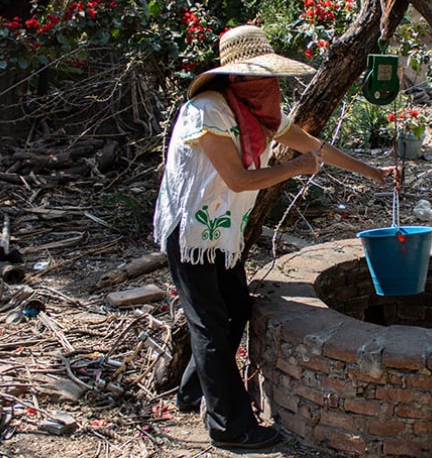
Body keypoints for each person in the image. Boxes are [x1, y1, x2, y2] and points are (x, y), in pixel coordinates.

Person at [153, 25, 395, 450]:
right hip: (191, 232)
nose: (268, 86)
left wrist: (374, 173)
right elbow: (238, 179)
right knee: (209, 322)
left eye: (269, 77)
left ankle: (195, 391)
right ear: (235, 78)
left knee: (236, 308)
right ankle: (230, 426)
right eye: (258, 77)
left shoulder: (258, 114)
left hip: (221, 233)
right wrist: (294, 168)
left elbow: (317, 148)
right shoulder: (207, 111)